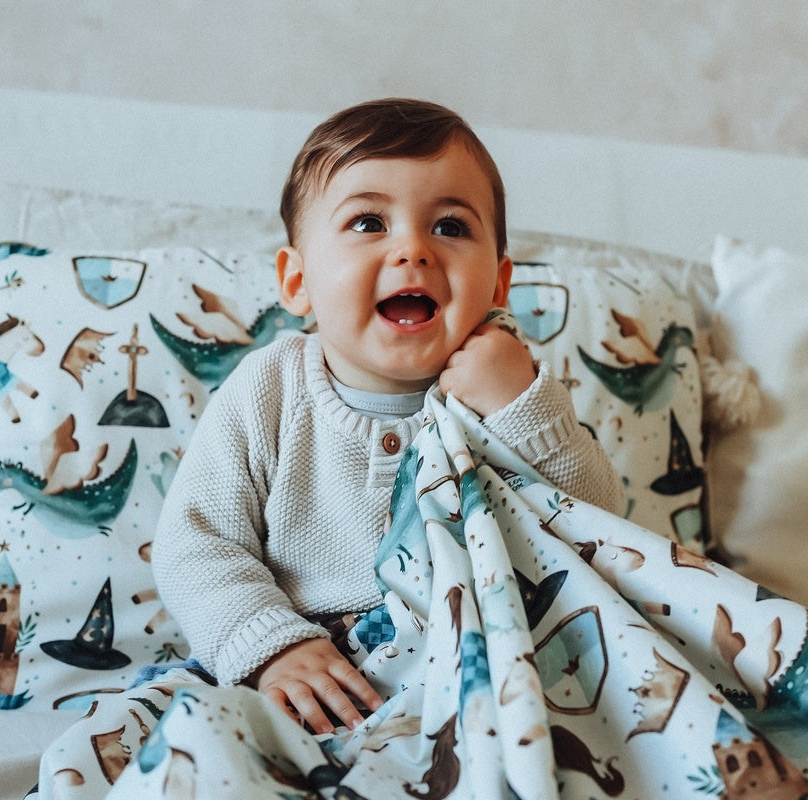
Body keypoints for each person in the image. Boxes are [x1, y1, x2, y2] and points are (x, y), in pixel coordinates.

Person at [152, 98, 624, 735]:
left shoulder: (510, 393)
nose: (413, 250)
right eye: (369, 222)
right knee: (180, 741)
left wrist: (521, 407)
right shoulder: (268, 390)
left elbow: (603, 537)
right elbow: (196, 542)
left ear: (498, 283)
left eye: (450, 226)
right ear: (297, 281)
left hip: (478, 675)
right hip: (300, 677)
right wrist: (270, 646)